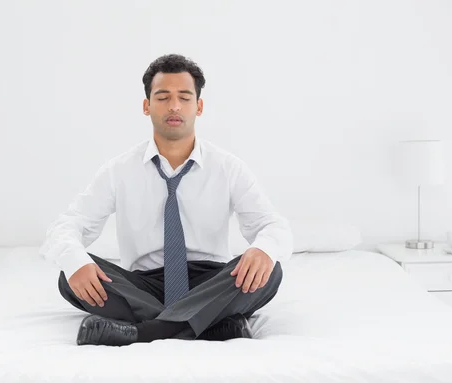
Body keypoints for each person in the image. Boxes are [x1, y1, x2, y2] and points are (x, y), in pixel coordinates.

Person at [40, 54, 293, 346]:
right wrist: (76, 261)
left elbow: (272, 225)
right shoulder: (119, 170)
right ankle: (210, 325)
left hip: (211, 282)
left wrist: (262, 249)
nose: (174, 106)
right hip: (143, 285)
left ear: (198, 107)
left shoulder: (227, 167)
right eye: (163, 97)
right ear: (147, 106)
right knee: (69, 274)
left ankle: (145, 331)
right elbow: (68, 225)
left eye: (184, 97)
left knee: (269, 269)